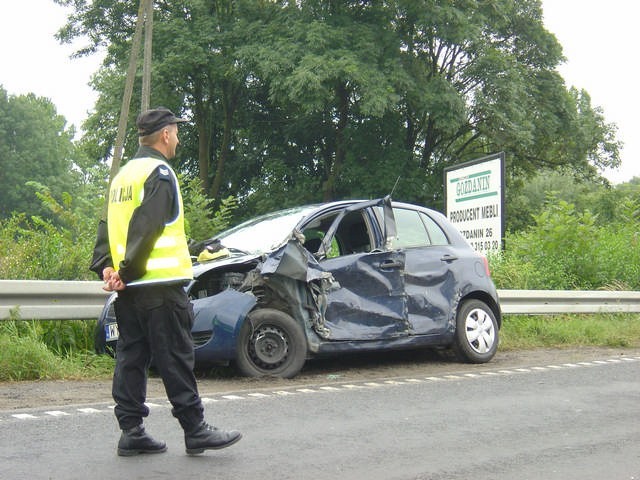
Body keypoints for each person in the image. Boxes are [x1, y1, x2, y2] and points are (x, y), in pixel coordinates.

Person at [90, 107, 242, 456]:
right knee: (175, 357)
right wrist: (125, 272)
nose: (178, 137)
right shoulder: (159, 173)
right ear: (165, 135)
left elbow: (107, 228)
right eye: (176, 131)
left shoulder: (123, 177)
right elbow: (148, 228)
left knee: (131, 356)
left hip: (129, 291)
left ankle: (131, 431)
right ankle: (195, 429)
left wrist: (107, 270)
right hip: (158, 286)